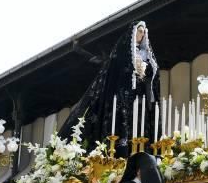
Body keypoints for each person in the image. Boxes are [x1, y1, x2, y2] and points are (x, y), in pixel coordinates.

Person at [60, 21, 161, 156]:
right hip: (123, 97)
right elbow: (115, 70)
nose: (141, 34)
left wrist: (145, 69)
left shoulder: (146, 53)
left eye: (143, 32)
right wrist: (132, 68)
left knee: (139, 125)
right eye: (139, 31)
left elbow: (154, 74)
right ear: (133, 32)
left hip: (139, 97)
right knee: (122, 126)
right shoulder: (123, 50)